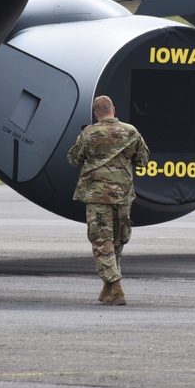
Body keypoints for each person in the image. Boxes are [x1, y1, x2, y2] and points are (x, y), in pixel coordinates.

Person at [67, 95, 150, 305]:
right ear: (113, 109)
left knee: (101, 241)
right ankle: (109, 287)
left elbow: (73, 159)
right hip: (123, 195)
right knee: (116, 240)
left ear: (96, 114)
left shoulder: (89, 133)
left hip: (98, 196)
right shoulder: (131, 132)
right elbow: (143, 159)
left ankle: (116, 286)